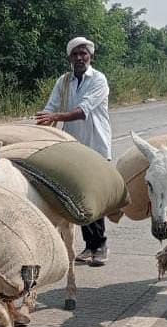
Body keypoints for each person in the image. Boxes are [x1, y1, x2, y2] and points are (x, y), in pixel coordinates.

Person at [35, 36, 112, 266]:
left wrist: (56, 117)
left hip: (95, 145)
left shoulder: (99, 79)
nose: (79, 58)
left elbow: (82, 110)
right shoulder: (64, 81)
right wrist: (43, 122)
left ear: (91, 56)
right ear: (69, 57)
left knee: (93, 198)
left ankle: (99, 246)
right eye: (75, 54)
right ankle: (89, 246)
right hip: (72, 146)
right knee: (77, 197)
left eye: (83, 53)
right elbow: (51, 107)